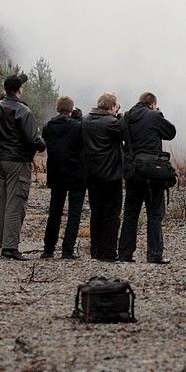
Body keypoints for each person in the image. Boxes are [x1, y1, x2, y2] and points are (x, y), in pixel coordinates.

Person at [0, 74, 45, 261]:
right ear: (19, 90)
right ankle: (10, 247)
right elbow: (32, 138)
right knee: (16, 203)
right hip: (17, 162)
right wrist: (41, 145)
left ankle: (3, 243)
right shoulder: (23, 111)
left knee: (2, 202)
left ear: (5, 89)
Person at [118, 92, 177, 264]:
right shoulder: (155, 115)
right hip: (152, 173)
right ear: (152, 104)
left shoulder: (126, 118)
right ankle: (154, 254)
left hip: (132, 172)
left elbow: (120, 134)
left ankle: (125, 254)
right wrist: (159, 114)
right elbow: (171, 132)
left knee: (130, 214)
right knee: (154, 214)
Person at [81, 92, 126, 261]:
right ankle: (108, 252)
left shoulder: (85, 121)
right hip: (111, 175)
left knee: (96, 213)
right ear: (112, 107)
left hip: (92, 174)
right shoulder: (112, 122)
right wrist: (119, 114)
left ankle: (95, 250)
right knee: (112, 215)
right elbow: (125, 133)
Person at [41, 97, 86, 259]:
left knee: (55, 212)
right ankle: (68, 249)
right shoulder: (78, 126)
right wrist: (79, 119)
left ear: (57, 109)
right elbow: (83, 142)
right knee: (74, 213)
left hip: (56, 173)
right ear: (71, 110)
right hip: (76, 173)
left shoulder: (47, 128)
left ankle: (48, 249)